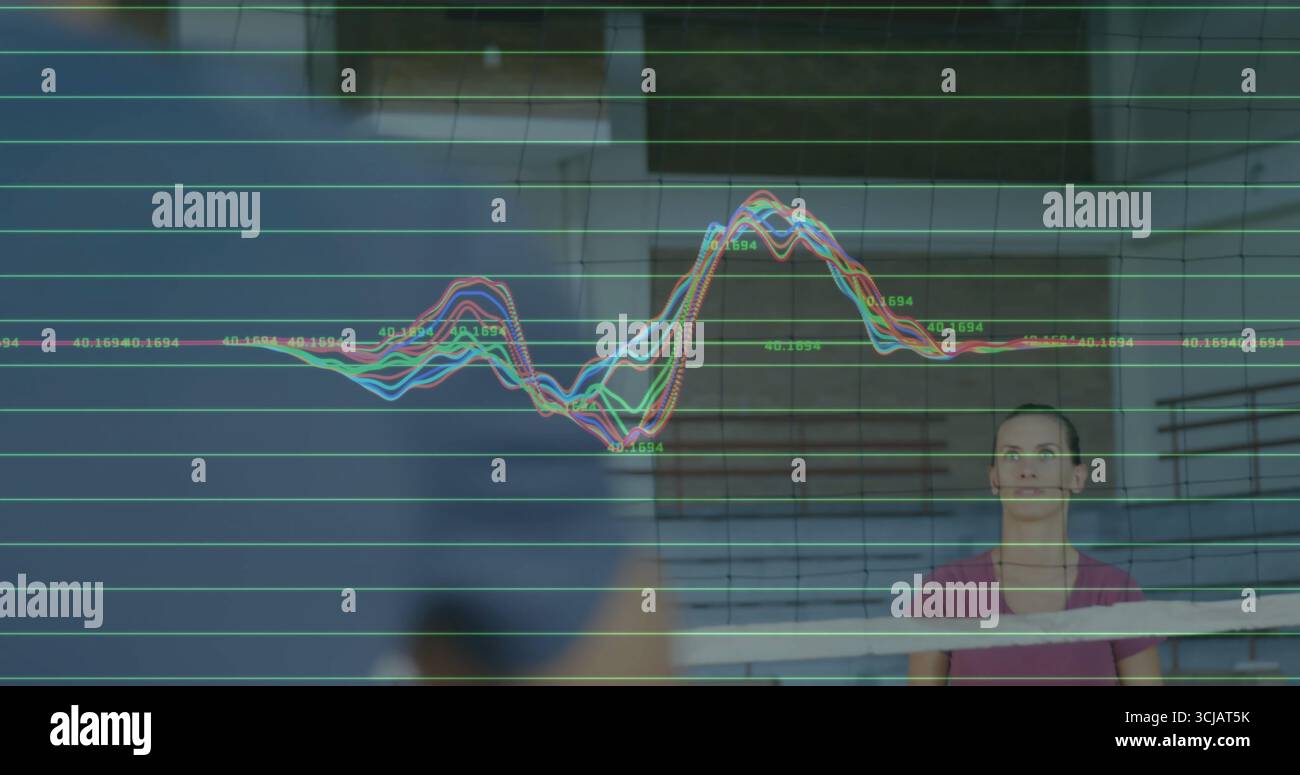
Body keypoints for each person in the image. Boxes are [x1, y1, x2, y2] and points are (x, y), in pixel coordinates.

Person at [908, 404, 1163, 685]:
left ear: (1077, 477)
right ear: (994, 478)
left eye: (1046, 454)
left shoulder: (1116, 591)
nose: (1027, 470)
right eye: (1012, 455)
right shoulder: (946, 587)